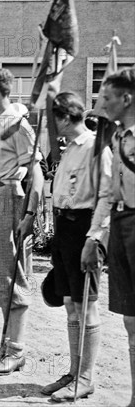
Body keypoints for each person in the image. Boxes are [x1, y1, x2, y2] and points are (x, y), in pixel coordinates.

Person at [39, 92, 111, 401]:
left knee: (86, 304)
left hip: (85, 228)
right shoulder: (68, 150)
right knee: (70, 303)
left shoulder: (97, 148)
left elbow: (107, 196)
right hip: (64, 229)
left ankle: (86, 377)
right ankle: (73, 370)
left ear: (65, 118)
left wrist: (95, 238)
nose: (53, 127)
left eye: (54, 119)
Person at [0, 68, 43, 375]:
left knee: (10, 274)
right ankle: (5, 343)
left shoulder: (18, 126)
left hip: (8, 198)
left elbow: (36, 173)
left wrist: (30, 214)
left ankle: (16, 350)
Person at [100, 67, 135, 407]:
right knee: (130, 317)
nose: (103, 104)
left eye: (108, 98)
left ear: (126, 99)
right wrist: (98, 232)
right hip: (121, 220)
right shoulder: (116, 138)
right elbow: (111, 190)